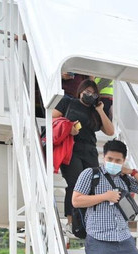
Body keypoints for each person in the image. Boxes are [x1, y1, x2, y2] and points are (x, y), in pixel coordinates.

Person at [54, 79, 114, 230]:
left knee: (92, 186)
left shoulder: (95, 111)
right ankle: (71, 221)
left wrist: (100, 110)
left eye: (93, 93)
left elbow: (110, 131)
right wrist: (68, 128)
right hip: (71, 148)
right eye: (87, 91)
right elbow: (52, 117)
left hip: (90, 150)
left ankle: (87, 221)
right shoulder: (68, 102)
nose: (90, 95)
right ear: (80, 91)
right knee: (75, 184)